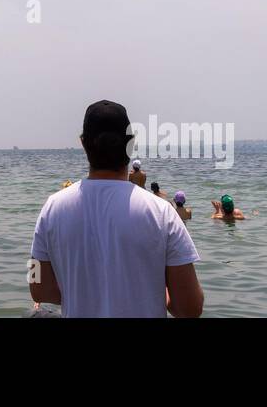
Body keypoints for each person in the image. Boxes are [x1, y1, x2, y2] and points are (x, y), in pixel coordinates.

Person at [29, 99, 202, 318]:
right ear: (131, 143)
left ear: (83, 143)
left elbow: (37, 287)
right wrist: (160, 291)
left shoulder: (51, 209)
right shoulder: (162, 213)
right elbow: (190, 309)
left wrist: (82, 292)